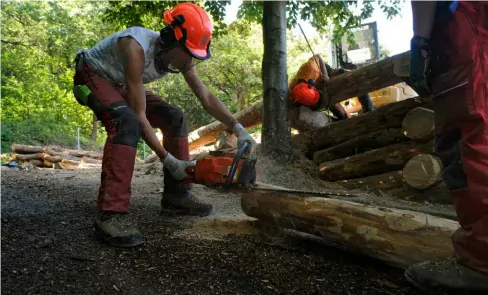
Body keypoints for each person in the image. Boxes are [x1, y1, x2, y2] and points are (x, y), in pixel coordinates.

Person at [72, 2, 256, 248]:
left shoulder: (182, 59)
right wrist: (168, 160)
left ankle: (176, 196)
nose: (191, 59)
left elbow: (206, 97)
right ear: (170, 39)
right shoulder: (135, 47)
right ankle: (110, 215)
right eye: (188, 52)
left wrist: (238, 127)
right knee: (125, 121)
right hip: (92, 76)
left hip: (123, 83)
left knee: (174, 116)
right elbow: (139, 116)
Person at [404, 1, 488, 292]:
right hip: (476, 23)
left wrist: (420, 42)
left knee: (466, 141)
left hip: (463, 25)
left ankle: (480, 264)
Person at [288, 55, 373, 121]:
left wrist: (325, 74)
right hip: (311, 92)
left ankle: (368, 110)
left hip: (324, 74)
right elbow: (329, 103)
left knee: (354, 79)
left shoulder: (312, 68)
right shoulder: (297, 92)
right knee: (333, 105)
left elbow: (317, 56)